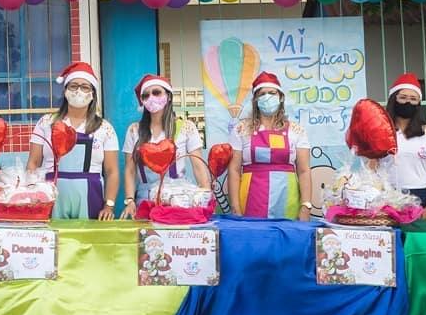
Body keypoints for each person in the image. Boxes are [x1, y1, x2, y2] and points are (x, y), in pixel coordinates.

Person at [26, 62, 120, 220]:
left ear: (93, 93)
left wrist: (109, 205)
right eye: (73, 86)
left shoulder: (105, 128)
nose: (79, 91)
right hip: (50, 195)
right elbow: (33, 163)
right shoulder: (46, 123)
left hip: (91, 196)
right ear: (65, 91)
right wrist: (31, 193)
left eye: (85, 87)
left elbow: (112, 171)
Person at [121, 74, 210, 217]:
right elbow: (130, 170)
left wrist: (206, 196)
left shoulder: (186, 127)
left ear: (168, 96)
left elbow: (198, 166)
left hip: (178, 198)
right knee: (149, 239)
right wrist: (130, 200)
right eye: (146, 95)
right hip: (145, 199)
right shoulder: (134, 130)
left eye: (156, 92)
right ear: (142, 101)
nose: (151, 97)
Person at [226, 72, 312, 220]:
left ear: (281, 97)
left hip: (287, 200)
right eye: (262, 94)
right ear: (255, 100)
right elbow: (233, 170)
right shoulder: (241, 129)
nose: (267, 97)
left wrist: (306, 206)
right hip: (250, 200)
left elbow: (304, 171)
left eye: (272, 93)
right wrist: (235, 208)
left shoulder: (296, 130)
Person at [385, 73, 426, 218]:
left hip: (420, 197)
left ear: (419, 103)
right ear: (393, 100)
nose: (408, 103)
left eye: (413, 99)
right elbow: (371, 168)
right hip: (386, 196)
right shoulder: (381, 130)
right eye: (403, 98)